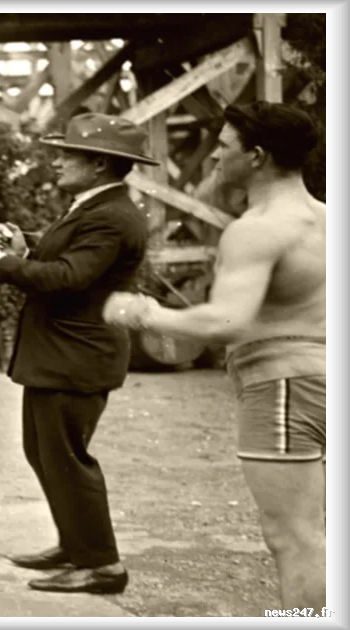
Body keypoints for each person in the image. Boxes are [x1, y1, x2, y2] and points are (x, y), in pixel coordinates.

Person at [104, 102, 325, 610]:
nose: (214, 158)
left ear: (257, 155)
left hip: (284, 387)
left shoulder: (257, 228)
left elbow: (228, 322)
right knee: (312, 533)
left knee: (295, 538)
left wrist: (144, 313)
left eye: (224, 148)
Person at [0, 112, 154, 594]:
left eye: (67, 155)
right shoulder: (96, 206)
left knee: (66, 459)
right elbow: (70, 256)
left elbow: (67, 278)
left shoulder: (109, 216)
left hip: (75, 357)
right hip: (62, 355)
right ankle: (76, 545)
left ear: (99, 163)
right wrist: (26, 247)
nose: (57, 162)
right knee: (43, 453)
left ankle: (102, 566)